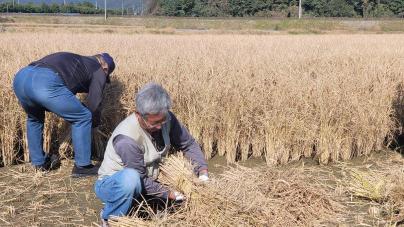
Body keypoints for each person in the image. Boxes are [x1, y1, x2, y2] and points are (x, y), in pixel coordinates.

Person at [95, 82, 209, 226]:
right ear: (138, 115)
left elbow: (188, 144)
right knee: (131, 179)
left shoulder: (167, 118)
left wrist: (202, 172)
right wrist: (169, 194)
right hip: (114, 184)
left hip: (148, 179)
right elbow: (140, 177)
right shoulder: (127, 139)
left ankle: (144, 203)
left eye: (163, 120)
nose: (160, 126)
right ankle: (110, 216)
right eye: (154, 123)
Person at [13, 52, 115, 177]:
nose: (104, 78)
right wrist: (94, 124)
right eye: (106, 75)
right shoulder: (99, 69)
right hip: (43, 82)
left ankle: (39, 162)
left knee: (34, 119)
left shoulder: (79, 60)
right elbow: (94, 103)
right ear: (105, 68)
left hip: (21, 77)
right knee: (83, 117)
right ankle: (82, 167)